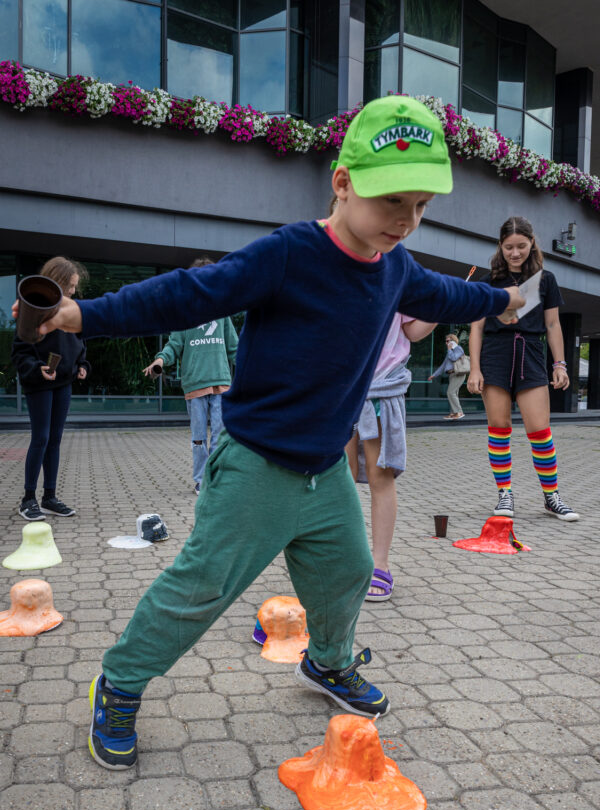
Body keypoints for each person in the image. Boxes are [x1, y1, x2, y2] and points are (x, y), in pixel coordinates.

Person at [23, 95, 523, 770]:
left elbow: (444, 294)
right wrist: (85, 314)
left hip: (326, 473)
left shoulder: (396, 268)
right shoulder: (290, 254)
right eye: (390, 202)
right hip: (257, 466)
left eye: (420, 207)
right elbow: (187, 294)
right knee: (201, 587)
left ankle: (326, 664)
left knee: (347, 572)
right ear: (342, 184)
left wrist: (499, 298)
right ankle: (120, 681)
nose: (404, 221)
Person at [468, 215, 579, 522]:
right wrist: (474, 369)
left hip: (531, 355)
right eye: (508, 247)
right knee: (499, 429)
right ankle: (505, 494)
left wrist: (560, 364)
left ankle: (551, 497)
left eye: (520, 246)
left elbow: (553, 324)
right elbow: (476, 328)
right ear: (500, 247)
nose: (514, 253)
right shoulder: (488, 282)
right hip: (495, 355)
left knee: (540, 432)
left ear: (532, 243)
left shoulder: (546, 280)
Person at [346, 313, 436, 602]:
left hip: (381, 387)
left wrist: (441, 307)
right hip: (338, 387)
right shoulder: (329, 269)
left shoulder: (395, 270)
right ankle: (341, 562)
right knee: (337, 480)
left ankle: (380, 564)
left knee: (380, 477)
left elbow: (412, 330)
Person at [143, 258, 239, 495]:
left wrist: (256, 369)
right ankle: (200, 480)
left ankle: (215, 478)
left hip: (221, 385)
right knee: (199, 439)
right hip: (195, 386)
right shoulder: (184, 315)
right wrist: (160, 361)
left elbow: (235, 348)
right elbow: (173, 346)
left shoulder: (222, 313)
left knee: (219, 437)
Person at [12, 256, 89, 521]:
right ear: (57, 281)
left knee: (55, 440)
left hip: (64, 383)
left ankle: (49, 497)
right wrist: (37, 368)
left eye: (74, 286)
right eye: (70, 285)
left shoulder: (71, 310)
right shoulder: (33, 308)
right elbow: (20, 351)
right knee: (41, 438)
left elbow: (80, 343)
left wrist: (83, 364)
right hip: (39, 383)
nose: (72, 291)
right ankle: (28, 499)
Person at [429, 332, 470, 420]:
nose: (446, 343)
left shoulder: (459, 349)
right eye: (446, 341)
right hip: (452, 374)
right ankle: (454, 413)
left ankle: (459, 412)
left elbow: (454, 358)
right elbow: (443, 365)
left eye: (448, 341)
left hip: (458, 373)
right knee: (454, 393)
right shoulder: (449, 352)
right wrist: (434, 375)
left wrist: (449, 349)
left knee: (450, 392)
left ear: (453, 341)